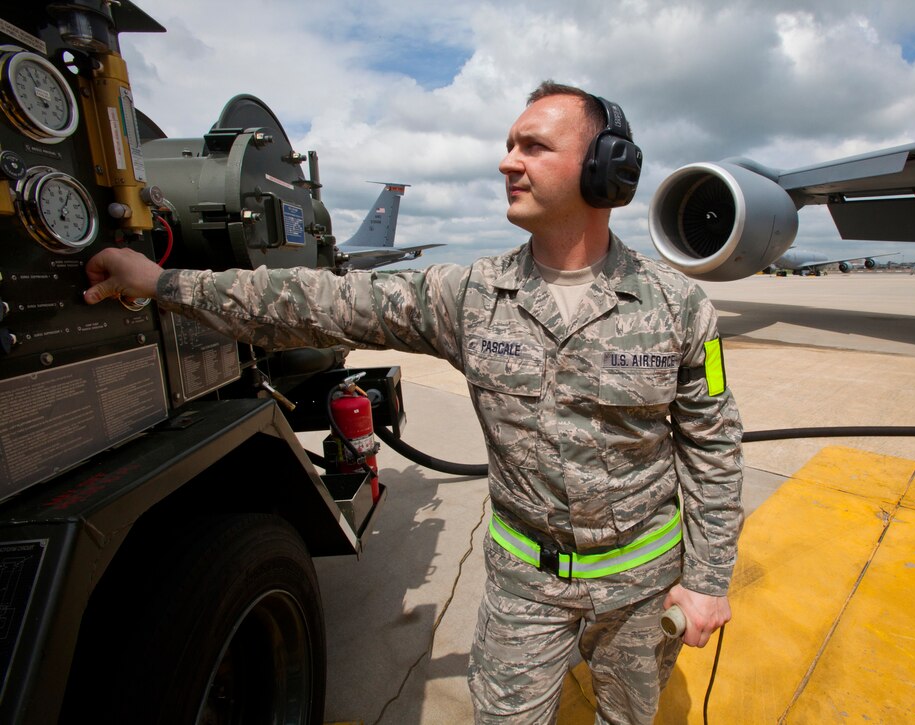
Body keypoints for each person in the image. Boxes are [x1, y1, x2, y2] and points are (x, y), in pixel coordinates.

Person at [84, 80, 744, 724]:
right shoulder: (469, 298)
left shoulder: (677, 305)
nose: (506, 160)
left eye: (533, 146)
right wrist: (162, 282)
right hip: (525, 586)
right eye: (509, 143)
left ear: (605, 169)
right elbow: (318, 304)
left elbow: (711, 442)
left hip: (643, 587)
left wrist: (710, 578)